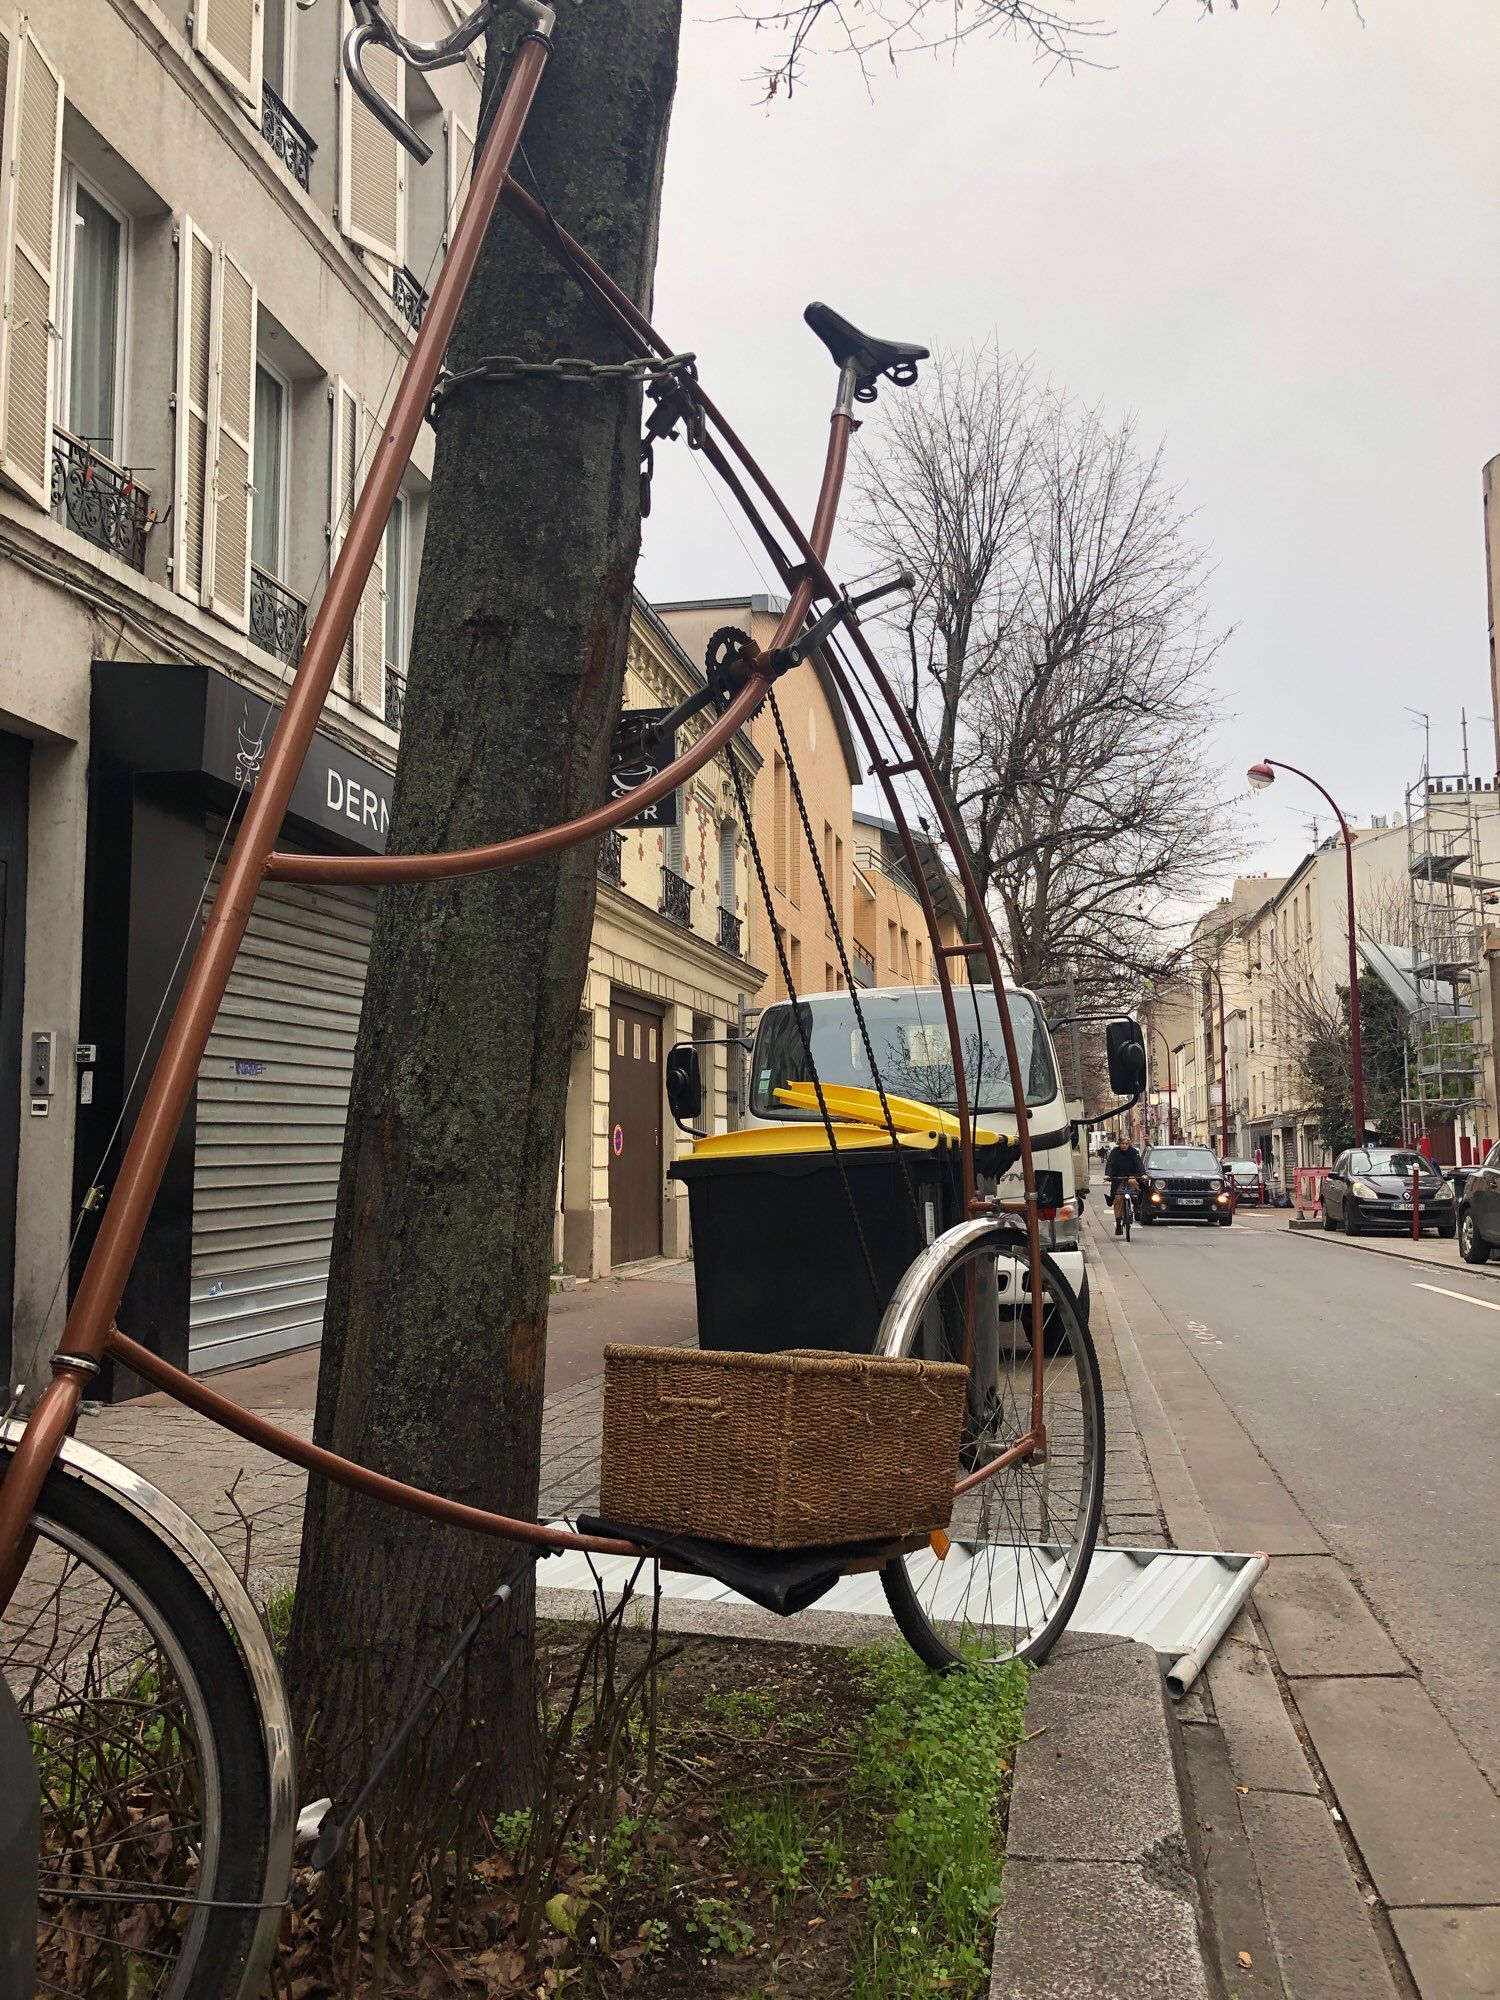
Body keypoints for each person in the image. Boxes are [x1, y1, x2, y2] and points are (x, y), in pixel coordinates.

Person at [1103, 1132, 1147, 1235]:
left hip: (1132, 1174)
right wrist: (1107, 1175)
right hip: (1118, 1177)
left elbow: (1139, 1163)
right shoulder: (1114, 1152)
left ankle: (1136, 1203)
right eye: (1122, 1143)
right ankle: (1118, 1224)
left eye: (1126, 1144)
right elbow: (1110, 1164)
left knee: (1133, 1182)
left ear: (1129, 1144)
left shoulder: (1133, 1152)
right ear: (1119, 1144)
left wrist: (1143, 1174)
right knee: (1118, 1198)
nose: (1124, 1146)